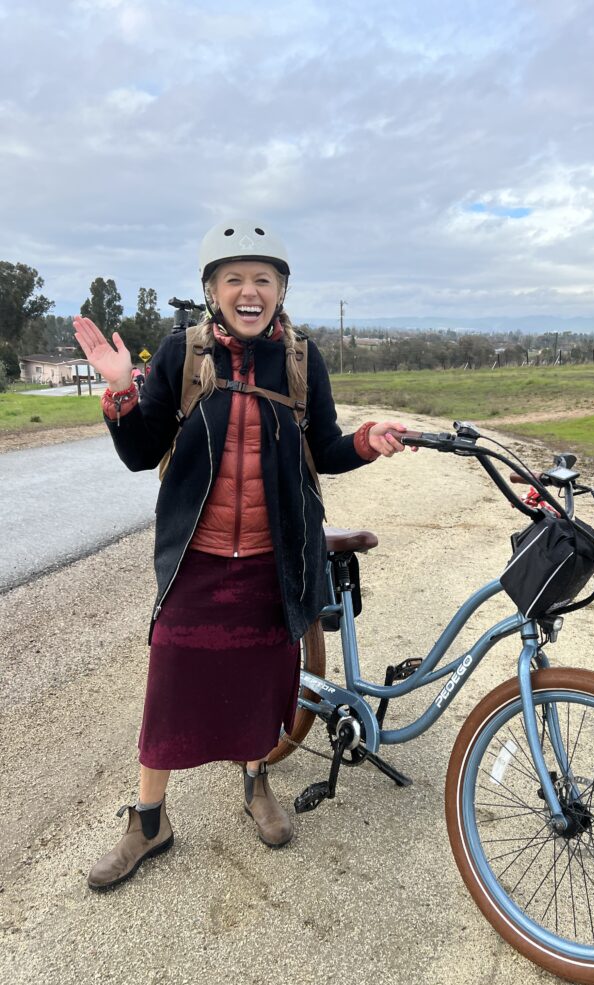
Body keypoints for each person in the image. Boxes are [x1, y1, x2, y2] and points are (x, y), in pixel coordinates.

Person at [73, 218, 410, 891]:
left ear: (281, 290)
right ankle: (149, 822)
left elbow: (326, 448)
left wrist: (365, 445)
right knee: (169, 684)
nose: (249, 290)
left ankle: (257, 785)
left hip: (271, 555)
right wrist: (120, 391)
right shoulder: (183, 354)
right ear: (212, 290)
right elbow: (143, 453)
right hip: (197, 558)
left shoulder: (301, 359)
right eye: (235, 279)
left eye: (263, 279)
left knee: (264, 684)